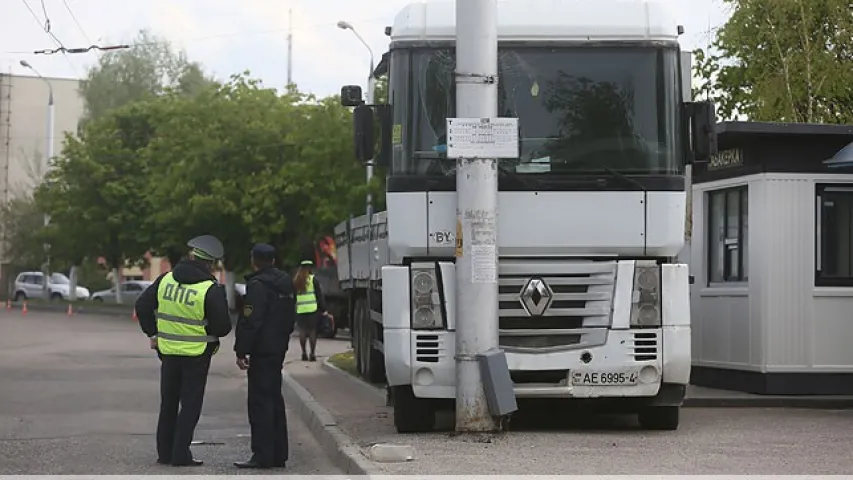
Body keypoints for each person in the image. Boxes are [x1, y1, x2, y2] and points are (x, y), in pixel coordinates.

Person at [135, 235, 232, 467]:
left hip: (167, 352)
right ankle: (180, 454)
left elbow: (142, 305)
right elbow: (223, 327)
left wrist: (153, 334)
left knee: (168, 402)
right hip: (197, 354)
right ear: (210, 264)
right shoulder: (210, 289)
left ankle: (165, 453)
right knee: (190, 404)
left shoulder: (165, 279)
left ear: (191, 256)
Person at [233, 244, 295, 469]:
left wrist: (241, 350)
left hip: (261, 350)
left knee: (260, 403)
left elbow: (251, 320)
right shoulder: (286, 283)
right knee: (275, 400)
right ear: (274, 261)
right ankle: (279, 454)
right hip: (278, 348)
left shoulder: (258, 286)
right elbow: (290, 317)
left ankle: (262, 455)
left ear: (254, 261)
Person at [294, 260, 328, 362]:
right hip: (312, 309)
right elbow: (319, 295)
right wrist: (323, 308)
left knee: (302, 331)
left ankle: (303, 352)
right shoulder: (313, 279)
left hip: (300, 309)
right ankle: (312, 354)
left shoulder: (297, 280)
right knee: (313, 331)